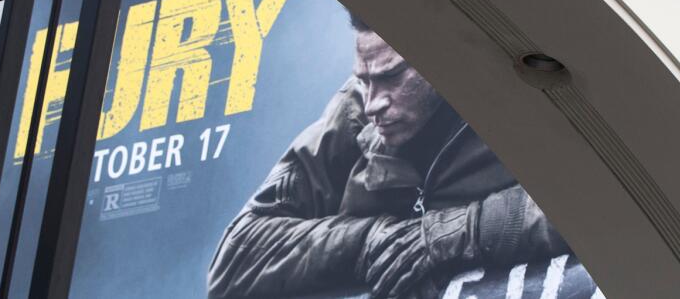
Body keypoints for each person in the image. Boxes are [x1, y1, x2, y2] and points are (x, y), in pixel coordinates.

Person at [206, 15, 570, 298]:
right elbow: (237, 257)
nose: (373, 103)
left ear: (444, 61)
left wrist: (458, 232)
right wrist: (370, 241)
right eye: (364, 79)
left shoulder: (519, 99)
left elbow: (599, 201)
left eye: (392, 77)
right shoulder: (355, 110)